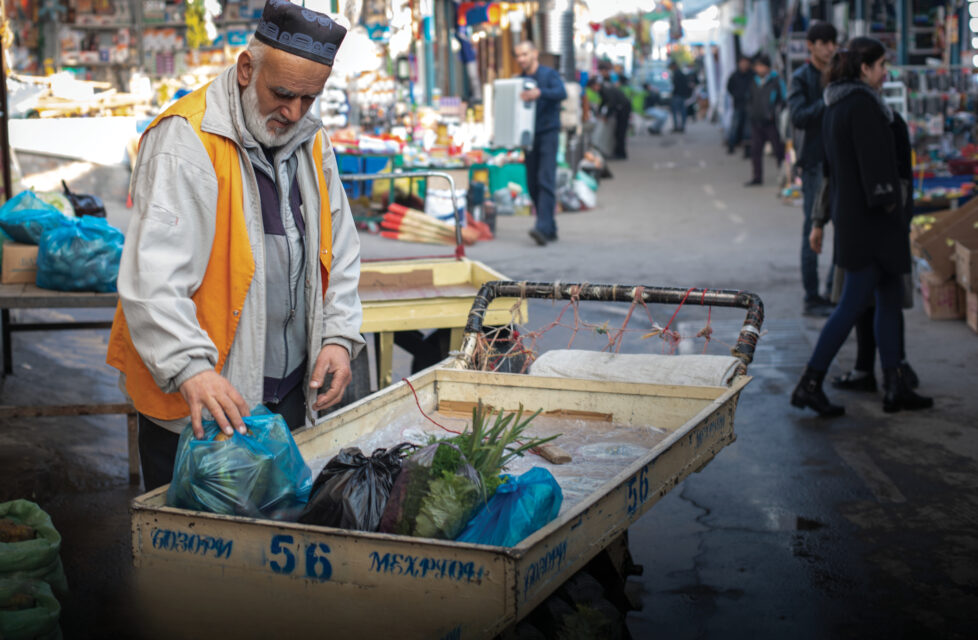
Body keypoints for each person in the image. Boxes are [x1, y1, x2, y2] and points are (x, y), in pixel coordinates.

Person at [108, 0, 366, 491]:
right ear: (247, 69)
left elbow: (341, 250)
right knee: (196, 552)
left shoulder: (312, 140)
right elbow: (151, 281)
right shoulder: (185, 140)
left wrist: (337, 336)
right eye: (283, 94)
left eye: (309, 99)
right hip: (202, 404)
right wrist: (190, 368)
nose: (293, 112)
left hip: (286, 396)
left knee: (276, 541)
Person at [791, 36, 933, 417]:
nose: (886, 73)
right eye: (882, 66)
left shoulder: (836, 105)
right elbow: (878, 175)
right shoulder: (863, 107)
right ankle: (810, 381)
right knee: (853, 304)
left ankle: (894, 383)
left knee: (886, 298)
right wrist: (894, 212)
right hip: (875, 225)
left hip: (856, 220)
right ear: (865, 68)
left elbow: (834, 171)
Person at [788, 21, 838, 316]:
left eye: (833, 42)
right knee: (813, 227)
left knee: (843, 227)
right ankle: (811, 296)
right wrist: (825, 101)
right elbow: (798, 116)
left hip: (839, 159)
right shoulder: (801, 78)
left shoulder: (838, 73)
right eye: (824, 42)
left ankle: (834, 290)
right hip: (814, 162)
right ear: (811, 45)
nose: (830, 48)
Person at [515, 40, 567, 246]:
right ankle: (550, 227)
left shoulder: (548, 75)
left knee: (545, 179)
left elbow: (561, 93)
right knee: (532, 183)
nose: (521, 59)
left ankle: (542, 227)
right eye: (518, 56)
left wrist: (540, 93)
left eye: (525, 54)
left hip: (548, 133)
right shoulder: (519, 81)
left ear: (534, 54)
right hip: (529, 137)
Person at [745, 53, 786, 186]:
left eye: (761, 66)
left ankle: (785, 175)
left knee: (779, 149)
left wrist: (775, 112)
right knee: (755, 151)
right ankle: (757, 177)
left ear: (767, 67)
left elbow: (784, 99)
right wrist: (751, 113)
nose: (759, 69)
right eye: (757, 66)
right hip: (757, 121)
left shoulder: (776, 81)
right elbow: (749, 100)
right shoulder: (753, 82)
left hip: (772, 122)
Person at [726, 55, 753, 155]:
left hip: (749, 105)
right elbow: (729, 87)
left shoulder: (752, 75)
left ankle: (747, 149)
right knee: (735, 126)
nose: (744, 65)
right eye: (743, 62)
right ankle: (731, 145)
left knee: (748, 128)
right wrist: (736, 95)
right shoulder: (734, 75)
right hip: (738, 104)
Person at [668, 61, 692, 133]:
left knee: (676, 111)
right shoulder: (681, 73)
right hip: (682, 95)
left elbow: (675, 86)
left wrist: (673, 93)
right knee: (682, 111)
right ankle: (682, 126)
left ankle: (676, 126)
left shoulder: (676, 74)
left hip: (678, 95)